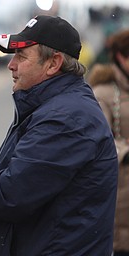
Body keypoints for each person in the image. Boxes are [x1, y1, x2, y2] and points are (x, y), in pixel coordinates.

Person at [0, 15, 118, 255]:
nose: (10, 65)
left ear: (53, 64)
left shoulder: (68, 119)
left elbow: (14, 191)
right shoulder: (47, 108)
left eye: (21, 56)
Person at [89, 29, 129, 256]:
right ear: (121, 57)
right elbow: (99, 139)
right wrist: (125, 151)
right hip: (120, 190)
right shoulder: (103, 93)